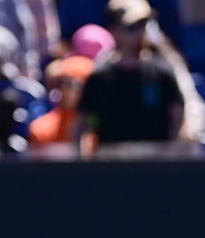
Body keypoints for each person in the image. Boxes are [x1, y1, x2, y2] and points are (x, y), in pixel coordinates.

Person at [74, 0, 184, 155]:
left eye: (143, 25)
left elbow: (178, 122)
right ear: (114, 30)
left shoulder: (163, 72)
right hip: (111, 169)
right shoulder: (99, 77)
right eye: (132, 27)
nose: (140, 33)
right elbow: (81, 125)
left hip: (154, 167)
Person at [28, 55, 93, 146]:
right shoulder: (41, 130)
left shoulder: (103, 130)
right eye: (66, 84)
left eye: (80, 86)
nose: (72, 91)